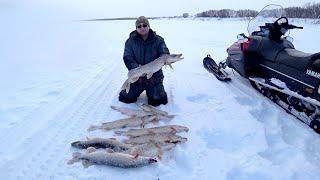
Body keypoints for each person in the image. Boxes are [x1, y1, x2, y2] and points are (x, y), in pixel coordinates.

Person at [119, 16, 169, 106]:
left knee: (158, 100)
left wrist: (165, 59)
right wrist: (136, 67)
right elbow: (127, 57)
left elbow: (164, 52)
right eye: (139, 26)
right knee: (126, 98)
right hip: (138, 77)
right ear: (136, 28)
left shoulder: (159, 40)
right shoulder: (130, 41)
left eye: (144, 25)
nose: (142, 28)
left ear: (148, 26)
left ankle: (154, 91)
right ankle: (128, 86)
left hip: (154, 77)